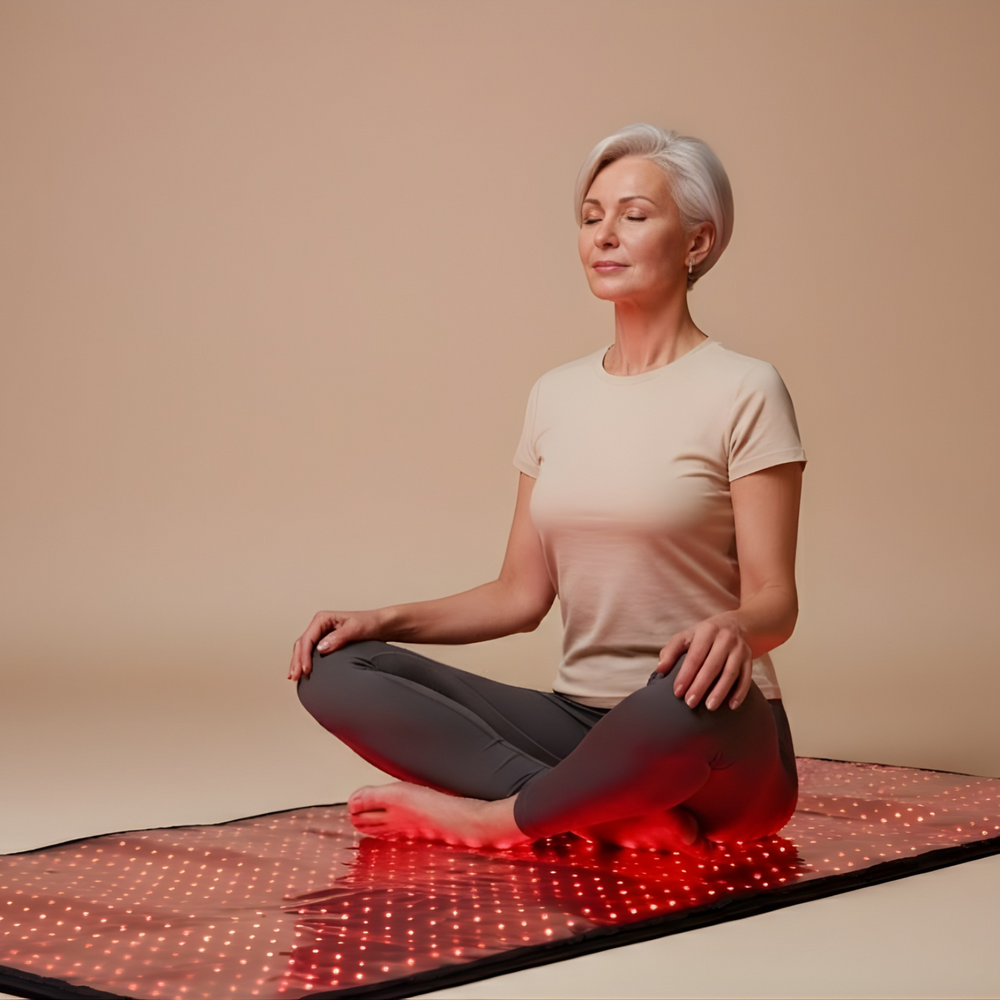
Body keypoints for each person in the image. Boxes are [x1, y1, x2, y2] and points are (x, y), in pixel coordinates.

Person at [288, 123, 806, 856]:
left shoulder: (745, 388)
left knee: (679, 701)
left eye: (634, 215)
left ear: (696, 243)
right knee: (334, 672)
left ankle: (495, 820)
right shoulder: (555, 395)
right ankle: (605, 810)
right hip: (578, 726)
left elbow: (776, 604)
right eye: (591, 217)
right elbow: (519, 596)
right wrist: (381, 619)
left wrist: (735, 628)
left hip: (708, 735)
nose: (605, 235)